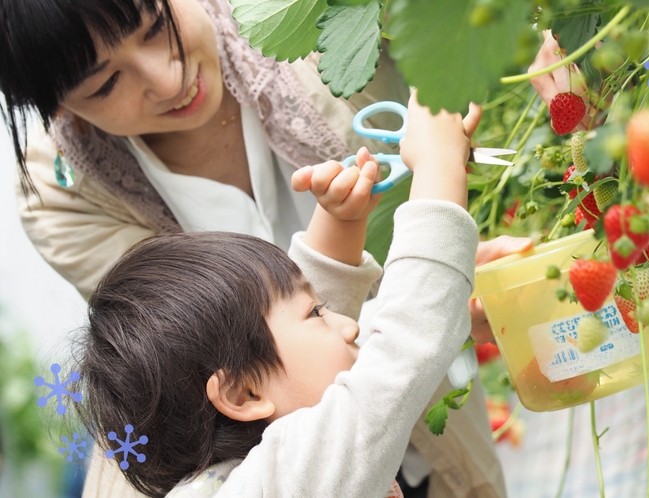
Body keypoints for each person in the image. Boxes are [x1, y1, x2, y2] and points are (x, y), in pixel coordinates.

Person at [0, 0, 530, 495]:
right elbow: (370, 357)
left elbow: (273, 351)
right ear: (58, 110)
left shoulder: (300, 16)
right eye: (107, 82)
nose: (166, 79)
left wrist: (422, 287)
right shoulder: (62, 198)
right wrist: (437, 197)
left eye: (158, 27)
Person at [73, 93, 484, 498]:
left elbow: (286, 348)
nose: (350, 325)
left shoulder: (238, 478)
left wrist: (340, 223)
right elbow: (404, 350)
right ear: (242, 395)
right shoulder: (294, 479)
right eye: (318, 312)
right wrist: (438, 165)